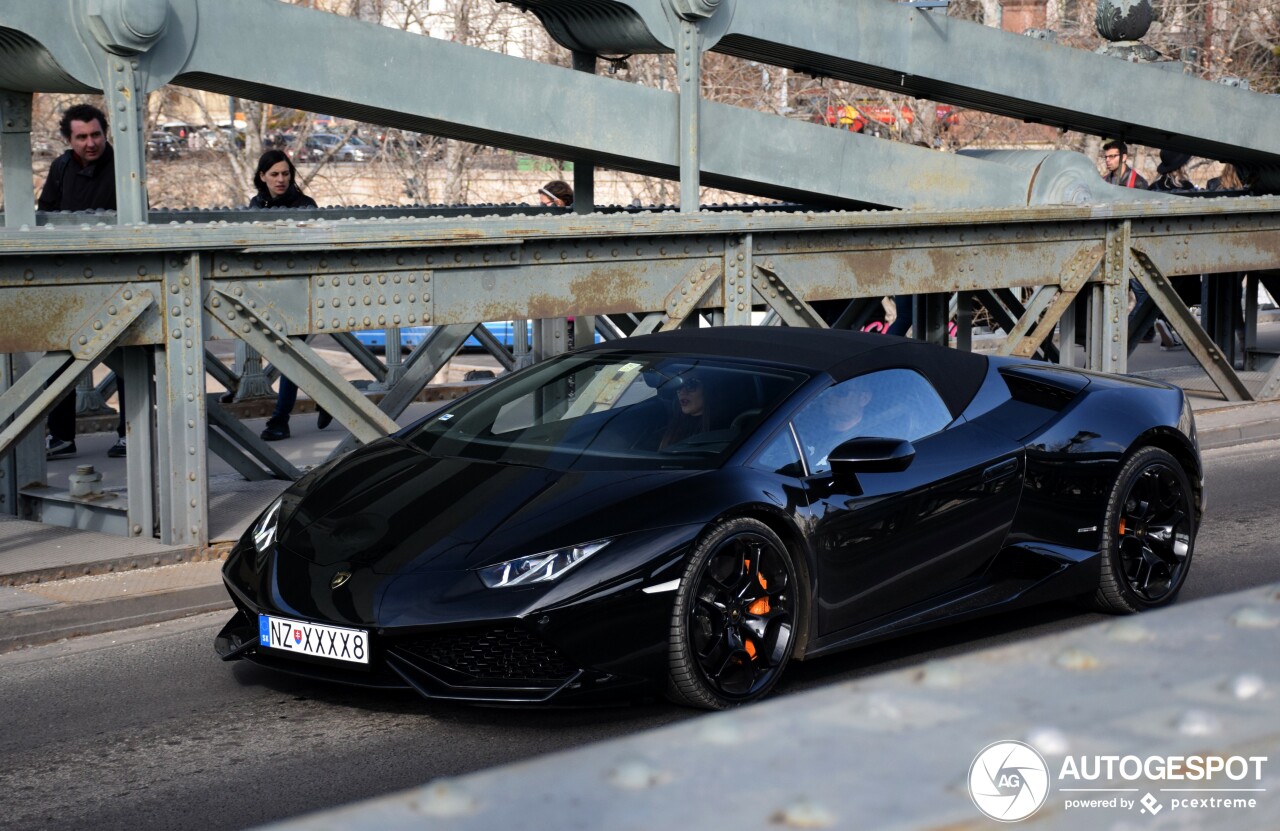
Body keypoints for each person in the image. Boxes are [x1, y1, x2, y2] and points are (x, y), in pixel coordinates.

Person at [38, 103, 126, 459]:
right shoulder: (60, 168)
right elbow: (44, 215)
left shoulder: (123, 168)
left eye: (95, 135)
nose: (90, 143)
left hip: (116, 276)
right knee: (60, 356)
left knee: (127, 357)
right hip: (72, 276)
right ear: (68, 139)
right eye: (82, 137)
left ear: (104, 133)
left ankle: (128, 433)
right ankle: (61, 435)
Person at [249, 151, 330, 441]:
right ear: (262, 177)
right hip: (270, 293)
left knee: (288, 356)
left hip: (303, 291)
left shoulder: (305, 205)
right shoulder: (255, 206)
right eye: (274, 174)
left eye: (285, 174)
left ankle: (279, 421)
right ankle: (331, 399)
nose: (281, 179)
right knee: (294, 355)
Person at [659, 372, 712, 449]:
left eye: (691, 384)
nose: (682, 392)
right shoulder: (671, 426)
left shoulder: (723, 429)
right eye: (678, 385)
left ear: (707, 389)